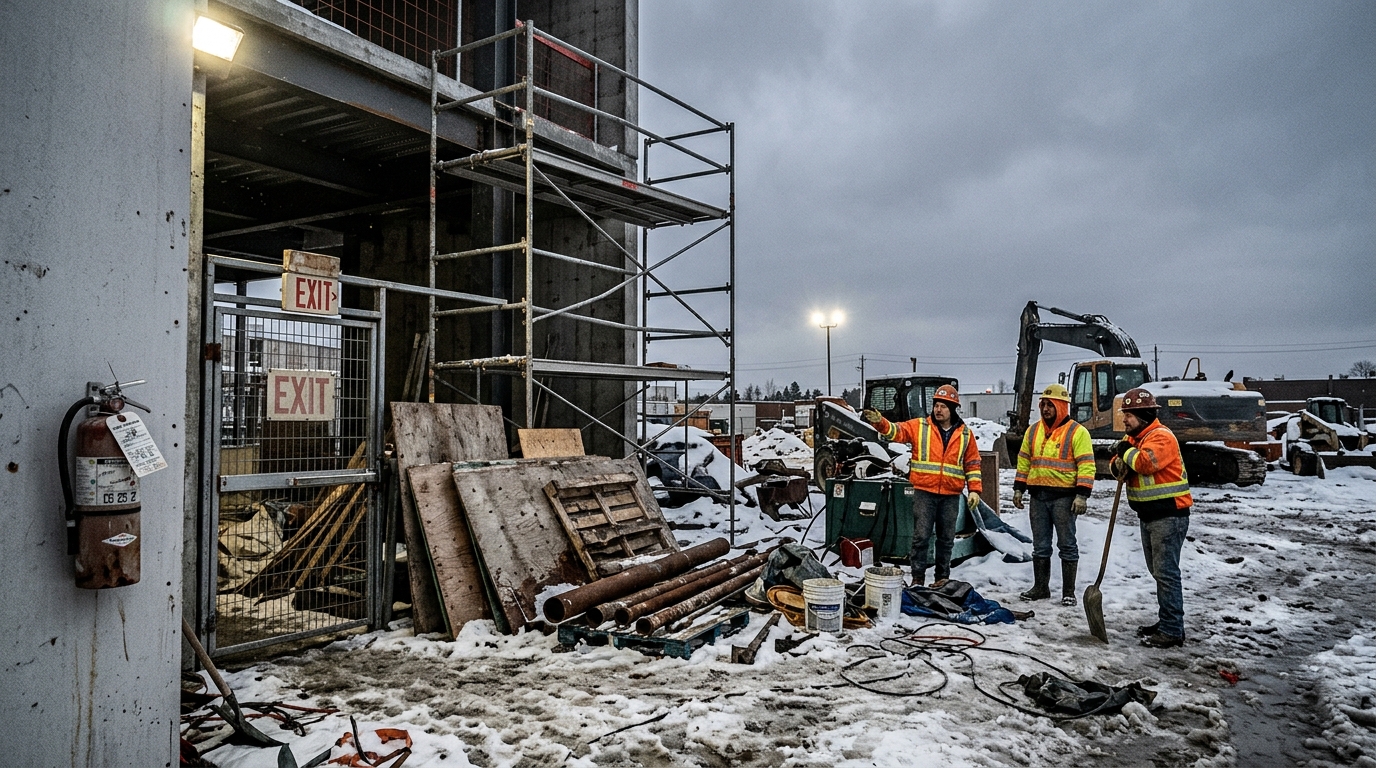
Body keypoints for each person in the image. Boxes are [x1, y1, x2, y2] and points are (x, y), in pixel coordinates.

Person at [862, 385, 982, 588]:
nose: (938, 410)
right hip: (924, 493)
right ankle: (917, 578)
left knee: (946, 540)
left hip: (951, 495)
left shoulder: (965, 435)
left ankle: (942, 578)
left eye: (943, 406)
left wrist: (975, 490)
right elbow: (897, 432)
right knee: (921, 537)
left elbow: (972, 464)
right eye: (936, 405)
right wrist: (880, 423)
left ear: (953, 409)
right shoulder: (920, 426)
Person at [1112, 387, 1192, 649]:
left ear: (1143, 415)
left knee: (1166, 573)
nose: (1125, 420)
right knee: (1158, 572)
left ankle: (1172, 629)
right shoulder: (1135, 438)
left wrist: (1125, 452)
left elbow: (1145, 464)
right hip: (1149, 515)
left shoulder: (1161, 437)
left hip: (1168, 515)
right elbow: (1120, 465)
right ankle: (1167, 620)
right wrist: (1119, 460)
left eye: (1129, 415)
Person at [1013, 383, 1095, 606]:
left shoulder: (1077, 432)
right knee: (1040, 545)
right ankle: (1041, 588)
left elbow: (1086, 466)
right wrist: (1018, 488)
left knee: (1067, 544)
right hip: (1038, 497)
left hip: (1064, 498)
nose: (1046, 409)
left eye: (1051, 405)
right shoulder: (1033, 431)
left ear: (1061, 406)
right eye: (1043, 404)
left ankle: (1069, 592)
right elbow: (1024, 461)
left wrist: (1082, 495)